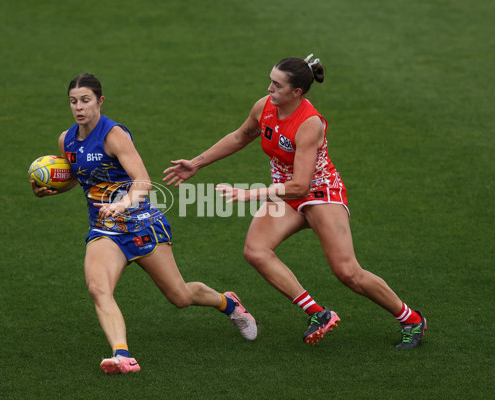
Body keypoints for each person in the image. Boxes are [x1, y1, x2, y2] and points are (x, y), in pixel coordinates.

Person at [163, 55, 427, 348]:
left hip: (319, 194)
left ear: (296, 92)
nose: (269, 89)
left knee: (348, 273)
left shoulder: (308, 124)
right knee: (256, 251)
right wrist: (197, 163)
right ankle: (318, 313)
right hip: (284, 193)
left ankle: (412, 319)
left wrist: (251, 194)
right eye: (270, 81)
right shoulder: (265, 107)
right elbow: (240, 137)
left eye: (276, 85)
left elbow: (301, 186)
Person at [30, 73, 257, 375]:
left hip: (140, 225)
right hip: (104, 230)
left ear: (100, 101)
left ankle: (228, 303)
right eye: (73, 102)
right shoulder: (67, 139)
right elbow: (81, 175)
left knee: (180, 296)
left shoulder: (114, 136)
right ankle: (122, 355)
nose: (78, 107)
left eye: (85, 100)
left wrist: (121, 204)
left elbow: (143, 182)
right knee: (99, 289)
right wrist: (54, 186)